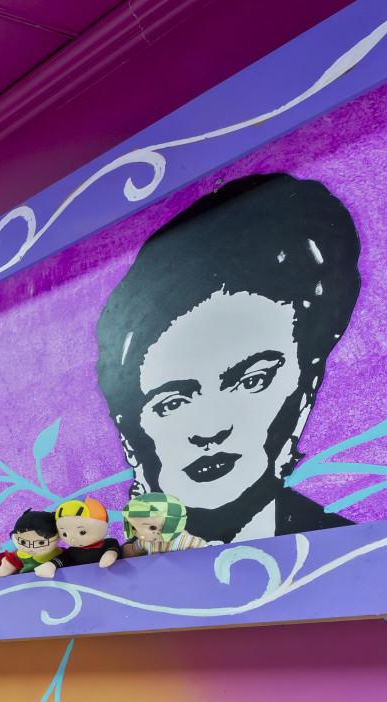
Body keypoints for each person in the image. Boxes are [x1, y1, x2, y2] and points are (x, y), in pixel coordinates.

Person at [95, 172, 360, 543]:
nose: (209, 430)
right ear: (129, 432)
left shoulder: (345, 553)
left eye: (252, 382)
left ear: (305, 391)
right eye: (172, 403)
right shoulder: (121, 568)